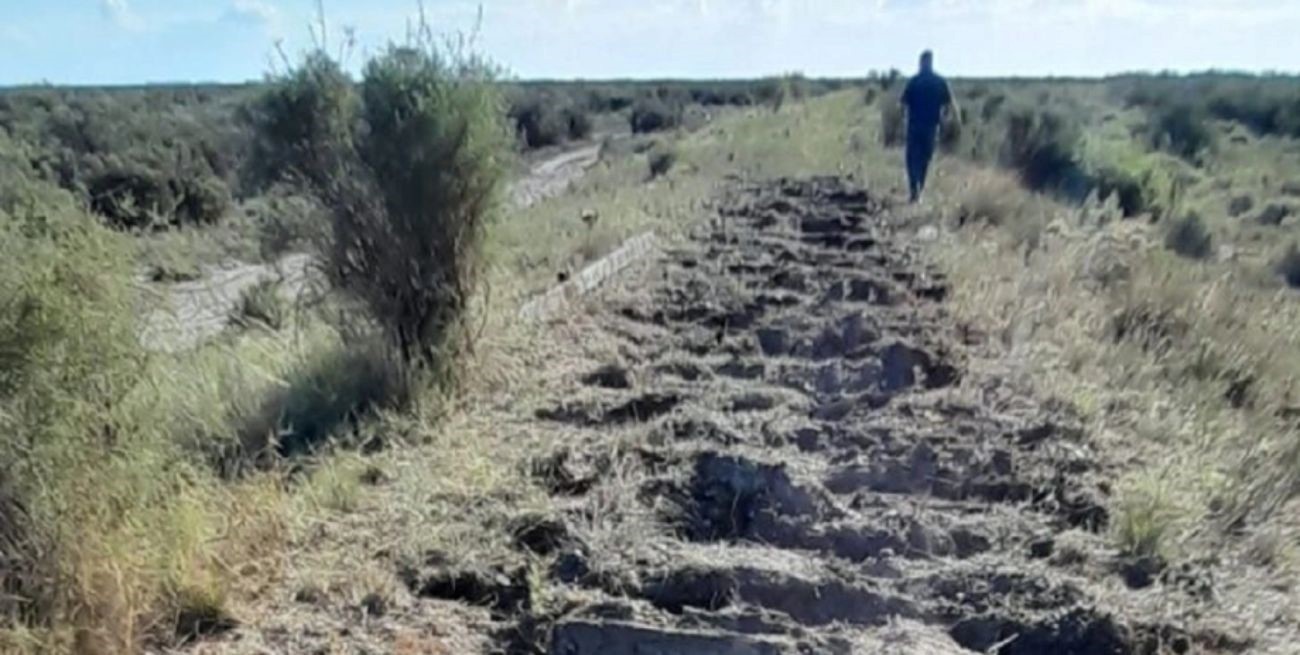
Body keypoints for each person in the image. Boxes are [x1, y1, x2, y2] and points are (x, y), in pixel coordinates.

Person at [900, 50, 959, 203]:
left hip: (914, 126)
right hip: (931, 127)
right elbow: (948, 104)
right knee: (925, 158)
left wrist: (903, 120)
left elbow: (903, 103)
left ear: (921, 62)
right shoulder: (939, 82)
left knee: (913, 159)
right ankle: (919, 188)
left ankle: (915, 189)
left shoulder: (914, 81)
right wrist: (945, 119)